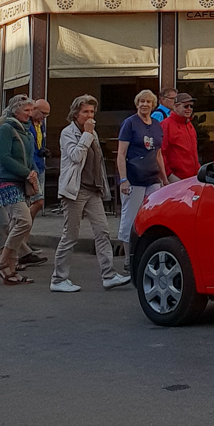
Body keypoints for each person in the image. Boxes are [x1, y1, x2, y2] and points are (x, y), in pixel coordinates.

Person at [50, 95, 130, 293]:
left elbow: (97, 162)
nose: (89, 115)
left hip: (92, 189)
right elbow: (76, 156)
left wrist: (101, 185)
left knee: (102, 231)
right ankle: (58, 278)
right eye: (85, 111)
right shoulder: (68, 133)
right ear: (76, 113)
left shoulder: (92, 133)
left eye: (92, 112)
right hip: (74, 190)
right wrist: (86, 134)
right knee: (70, 235)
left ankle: (109, 275)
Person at [117, 90, 169, 272]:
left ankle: (146, 254)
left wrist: (164, 179)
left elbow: (158, 154)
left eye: (148, 101)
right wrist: (123, 179)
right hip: (134, 178)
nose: (144, 104)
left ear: (153, 105)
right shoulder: (129, 124)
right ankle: (127, 258)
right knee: (130, 217)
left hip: (152, 177)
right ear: (137, 103)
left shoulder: (156, 125)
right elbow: (121, 154)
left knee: (153, 216)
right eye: (141, 101)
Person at [0, 95, 38, 284]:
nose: (30, 113)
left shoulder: (26, 130)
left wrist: (33, 170)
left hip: (20, 181)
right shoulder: (6, 129)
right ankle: (2, 261)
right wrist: (27, 172)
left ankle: (10, 271)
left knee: (15, 225)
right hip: (6, 182)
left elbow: (29, 156)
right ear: (15, 110)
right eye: (26, 110)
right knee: (24, 221)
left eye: (30, 110)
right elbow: (3, 157)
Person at [162, 93, 200, 181]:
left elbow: (193, 151)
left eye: (191, 106)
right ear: (176, 106)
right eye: (186, 106)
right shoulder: (166, 125)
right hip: (176, 178)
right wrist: (169, 175)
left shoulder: (189, 125)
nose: (189, 109)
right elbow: (160, 153)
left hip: (193, 177)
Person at [27, 98, 50, 223]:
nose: (44, 117)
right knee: (38, 201)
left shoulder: (41, 125)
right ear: (34, 109)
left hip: (40, 166)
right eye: (43, 113)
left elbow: (39, 142)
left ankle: (24, 233)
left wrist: (43, 150)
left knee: (37, 202)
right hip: (31, 168)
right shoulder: (26, 124)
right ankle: (21, 225)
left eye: (47, 115)